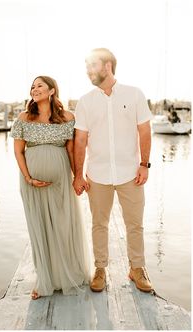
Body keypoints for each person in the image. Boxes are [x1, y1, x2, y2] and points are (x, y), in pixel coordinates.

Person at [73, 48, 153, 293]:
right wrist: (78, 174)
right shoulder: (86, 101)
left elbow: (145, 131)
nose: (88, 71)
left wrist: (144, 164)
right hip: (97, 175)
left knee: (135, 224)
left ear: (107, 66)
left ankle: (137, 268)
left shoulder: (134, 94)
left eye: (92, 66)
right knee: (99, 223)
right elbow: (80, 141)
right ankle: (100, 269)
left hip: (131, 173)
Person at [11, 75, 90, 299]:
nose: (34, 89)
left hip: (61, 181)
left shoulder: (67, 117)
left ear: (52, 90)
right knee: (40, 228)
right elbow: (18, 151)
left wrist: (78, 177)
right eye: (32, 86)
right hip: (31, 183)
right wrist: (28, 178)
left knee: (63, 225)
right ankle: (44, 279)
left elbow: (71, 149)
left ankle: (67, 275)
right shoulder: (24, 117)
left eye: (39, 86)